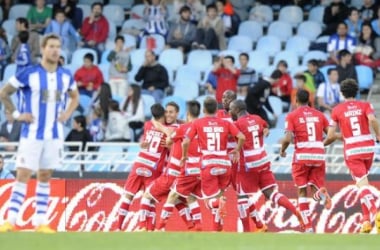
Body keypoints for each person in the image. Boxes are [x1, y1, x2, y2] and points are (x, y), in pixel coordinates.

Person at [0, 33, 79, 233]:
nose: (55, 50)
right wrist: (17, 114)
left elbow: (75, 96)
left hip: (54, 135)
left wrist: (67, 113)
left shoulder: (65, 75)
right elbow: (4, 92)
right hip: (32, 133)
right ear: (43, 49)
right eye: (51, 46)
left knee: (45, 175)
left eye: (58, 46)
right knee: (23, 174)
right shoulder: (29, 73)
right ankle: (11, 220)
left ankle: (41, 221)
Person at [230, 99, 305, 232]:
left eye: (231, 109)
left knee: (242, 196)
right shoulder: (257, 118)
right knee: (271, 193)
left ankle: (246, 232)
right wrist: (265, 130)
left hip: (248, 163)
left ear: (235, 111)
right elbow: (266, 127)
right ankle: (296, 211)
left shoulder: (237, 124)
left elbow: (236, 137)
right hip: (263, 161)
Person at [324, 79, 380, 234]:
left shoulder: (336, 110)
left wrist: (323, 143)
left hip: (352, 150)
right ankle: (366, 221)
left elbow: (330, 135)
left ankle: (376, 211)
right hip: (368, 147)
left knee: (362, 185)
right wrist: (378, 134)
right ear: (356, 92)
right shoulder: (365, 105)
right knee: (361, 184)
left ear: (342, 93)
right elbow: (373, 120)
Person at [181, 96, 245, 231]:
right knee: (220, 195)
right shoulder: (225, 123)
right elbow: (241, 137)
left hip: (208, 164)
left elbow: (186, 141)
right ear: (217, 109)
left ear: (203, 109)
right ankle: (217, 228)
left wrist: (184, 156)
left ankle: (217, 203)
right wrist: (237, 150)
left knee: (209, 201)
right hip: (224, 163)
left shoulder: (197, 123)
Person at [135, 101, 199, 232]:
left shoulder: (178, 128)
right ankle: (192, 225)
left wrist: (169, 143)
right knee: (180, 199)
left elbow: (172, 141)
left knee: (148, 196)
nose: (168, 114)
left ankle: (145, 227)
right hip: (181, 172)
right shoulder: (190, 127)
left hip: (171, 172)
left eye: (171, 112)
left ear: (177, 113)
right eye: (166, 112)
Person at [280, 89, 332, 233]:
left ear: (295, 100)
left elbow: (287, 138)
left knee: (302, 192)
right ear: (309, 100)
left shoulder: (292, 116)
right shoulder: (320, 115)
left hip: (302, 156)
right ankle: (320, 194)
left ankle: (308, 227)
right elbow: (332, 135)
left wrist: (282, 150)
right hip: (319, 155)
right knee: (315, 189)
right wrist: (321, 144)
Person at [117, 104, 168, 230]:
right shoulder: (167, 130)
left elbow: (145, 142)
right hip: (154, 167)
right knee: (149, 199)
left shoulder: (147, 125)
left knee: (128, 196)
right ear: (164, 115)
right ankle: (147, 227)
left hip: (140, 163)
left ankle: (118, 227)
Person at [155, 100, 203, 231]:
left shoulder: (184, 128)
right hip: (202, 169)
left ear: (187, 113)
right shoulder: (203, 127)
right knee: (190, 196)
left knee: (172, 196)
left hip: (189, 168)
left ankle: (160, 227)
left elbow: (170, 139)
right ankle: (198, 225)